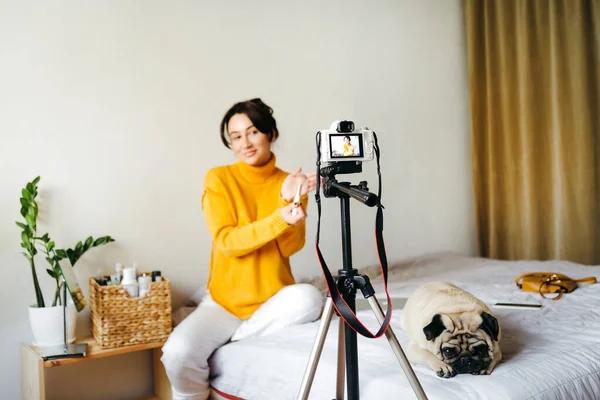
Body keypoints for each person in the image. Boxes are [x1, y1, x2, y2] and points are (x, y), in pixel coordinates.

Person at [160, 98, 324, 400]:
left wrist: (291, 201)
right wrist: (279, 217)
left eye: (253, 132)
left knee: (310, 298)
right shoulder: (219, 178)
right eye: (236, 137)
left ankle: (232, 340)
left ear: (270, 134)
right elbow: (228, 242)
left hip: (273, 298)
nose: (245, 143)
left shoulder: (288, 182)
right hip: (225, 303)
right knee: (176, 355)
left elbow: (291, 247)